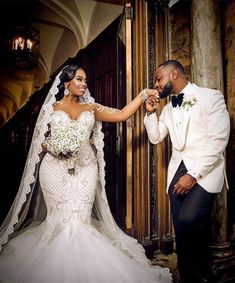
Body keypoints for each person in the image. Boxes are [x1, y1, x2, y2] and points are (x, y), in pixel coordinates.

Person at [0, 64, 172, 283]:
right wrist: (55, 146)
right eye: (79, 79)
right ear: (66, 83)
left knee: (80, 219)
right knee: (60, 220)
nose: (83, 84)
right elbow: (38, 143)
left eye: (85, 80)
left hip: (85, 167)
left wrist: (142, 94)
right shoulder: (50, 109)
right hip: (54, 169)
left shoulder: (91, 107)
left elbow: (121, 114)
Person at [144, 60, 230, 283]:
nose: (156, 84)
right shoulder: (169, 107)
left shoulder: (210, 96)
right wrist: (150, 114)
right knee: (182, 231)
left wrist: (193, 175)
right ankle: (191, 276)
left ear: (173, 74)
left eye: (158, 78)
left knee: (188, 221)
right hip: (176, 171)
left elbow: (219, 140)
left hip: (205, 170)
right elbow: (156, 137)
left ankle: (199, 273)